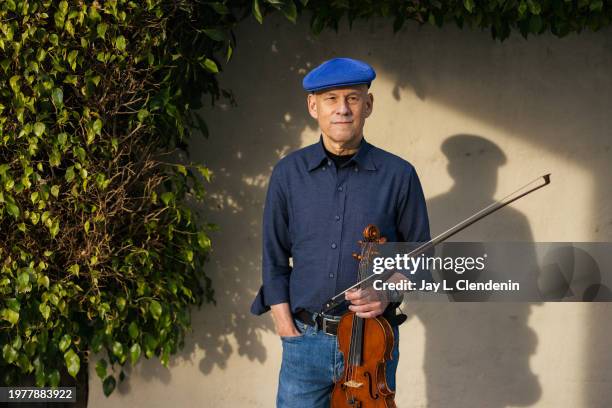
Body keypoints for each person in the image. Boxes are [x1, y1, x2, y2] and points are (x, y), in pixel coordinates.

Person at [251, 57, 431, 407]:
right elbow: (273, 259)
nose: (342, 109)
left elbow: (420, 260)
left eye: (352, 98)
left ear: (368, 105)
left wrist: (386, 292)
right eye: (331, 99)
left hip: (371, 343)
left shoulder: (399, 175)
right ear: (313, 106)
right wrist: (288, 331)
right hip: (304, 342)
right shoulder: (288, 174)